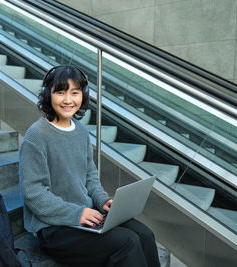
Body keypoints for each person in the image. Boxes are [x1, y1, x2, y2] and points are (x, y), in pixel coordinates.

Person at [19, 65, 160, 267]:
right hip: (55, 228)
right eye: (60, 92)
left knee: (144, 234)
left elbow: (90, 177)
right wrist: (78, 214)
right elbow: (34, 194)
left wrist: (102, 200)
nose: (68, 100)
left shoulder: (81, 132)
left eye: (74, 93)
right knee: (127, 243)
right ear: (47, 94)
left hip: (87, 216)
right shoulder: (37, 136)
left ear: (82, 96)